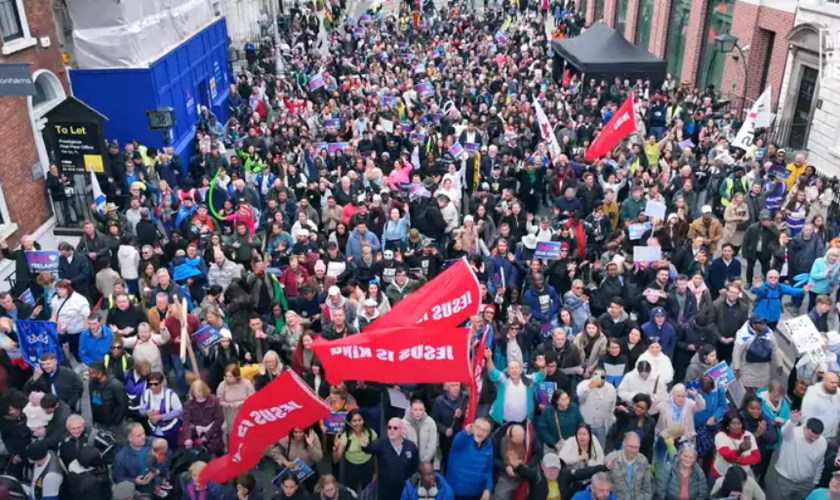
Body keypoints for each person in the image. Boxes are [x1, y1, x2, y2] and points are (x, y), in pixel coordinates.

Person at [770, 411, 827, 500]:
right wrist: (792, 422)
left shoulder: (823, 442)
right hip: (786, 480)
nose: (813, 439)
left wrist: (816, 480)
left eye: (817, 437)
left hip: (806, 484)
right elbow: (785, 432)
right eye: (811, 436)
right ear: (805, 428)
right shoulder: (793, 433)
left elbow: (819, 462)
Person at [361, 418, 420, 500]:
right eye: (389, 427)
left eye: (395, 428)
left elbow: (415, 467)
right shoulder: (381, 444)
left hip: (405, 491)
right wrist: (365, 446)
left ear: (402, 430)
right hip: (386, 492)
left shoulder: (411, 446)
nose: (391, 430)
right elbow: (369, 449)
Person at [446, 418, 494, 500]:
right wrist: (465, 433)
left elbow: (488, 471)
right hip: (454, 494)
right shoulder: (463, 440)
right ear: (472, 427)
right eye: (478, 427)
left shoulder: (489, 447)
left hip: (474, 495)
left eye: (485, 430)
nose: (480, 432)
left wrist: (487, 488)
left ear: (488, 433)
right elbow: (457, 440)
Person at [179, 379, 225, 456]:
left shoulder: (214, 401)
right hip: (196, 435)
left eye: (199, 392)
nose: (198, 395)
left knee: (219, 456)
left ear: (204, 390)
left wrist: (206, 436)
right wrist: (188, 438)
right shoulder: (188, 404)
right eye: (195, 393)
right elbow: (186, 422)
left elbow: (219, 419)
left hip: (214, 435)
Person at [602, 432, 654, 500]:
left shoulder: (643, 461)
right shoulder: (610, 459)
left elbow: (647, 488)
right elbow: (604, 487)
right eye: (631, 446)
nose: (634, 450)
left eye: (636, 447)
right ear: (624, 445)